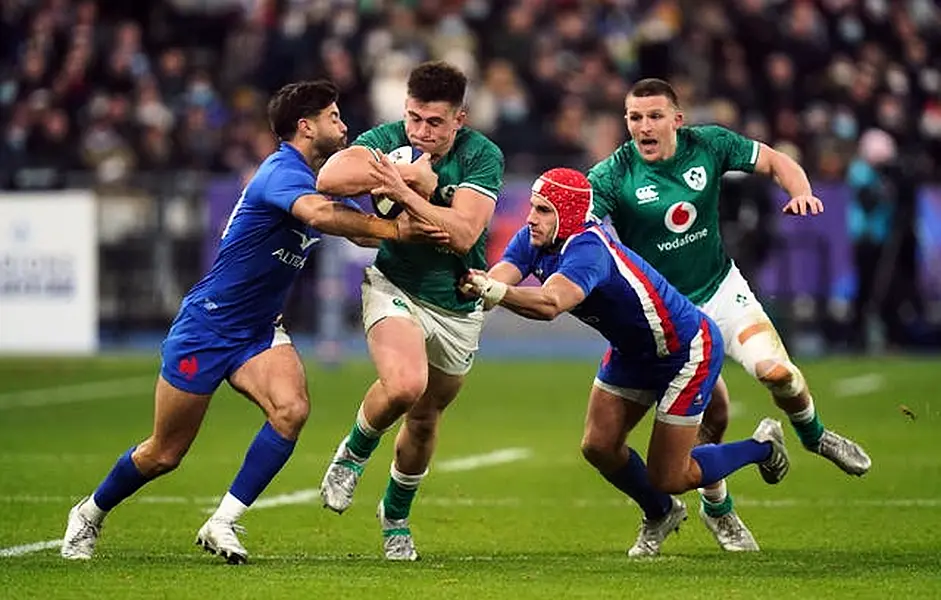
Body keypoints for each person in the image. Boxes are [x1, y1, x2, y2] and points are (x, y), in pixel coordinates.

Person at [60, 80, 448, 563]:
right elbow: (321, 217)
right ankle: (89, 513)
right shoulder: (280, 172)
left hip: (259, 330)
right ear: (305, 127)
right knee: (164, 453)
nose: (344, 125)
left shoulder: (312, 176)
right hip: (208, 326)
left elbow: (357, 229)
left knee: (292, 410)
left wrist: (410, 214)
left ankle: (222, 522)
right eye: (333, 117)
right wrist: (395, 226)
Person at [587, 78, 871, 552]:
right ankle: (717, 509)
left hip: (721, 294)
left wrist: (799, 190)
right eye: (635, 118)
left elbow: (776, 160)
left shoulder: (710, 144)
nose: (644, 127)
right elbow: (585, 223)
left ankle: (815, 437)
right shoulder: (614, 175)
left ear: (677, 119)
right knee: (709, 416)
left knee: (778, 375)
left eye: (654, 116)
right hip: (665, 318)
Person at [460, 167, 790, 557]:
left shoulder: (588, 250)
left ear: (567, 215)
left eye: (543, 210)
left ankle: (763, 447)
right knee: (598, 446)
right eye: (533, 207)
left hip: (683, 350)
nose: (531, 217)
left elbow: (550, 303)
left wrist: (493, 290)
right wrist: (475, 285)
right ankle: (661, 513)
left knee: (669, 474)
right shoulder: (535, 237)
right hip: (632, 351)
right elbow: (500, 278)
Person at [314, 60, 504, 561]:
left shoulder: (483, 156)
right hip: (394, 282)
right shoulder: (390, 138)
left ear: (460, 118)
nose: (421, 132)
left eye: (435, 122)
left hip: (457, 303)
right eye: (415, 118)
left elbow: (463, 232)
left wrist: (401, 192)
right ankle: (353, 453)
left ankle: (395, 515)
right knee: (404, 384)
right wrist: (404, 172)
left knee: (424, 418)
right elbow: (330, 176)